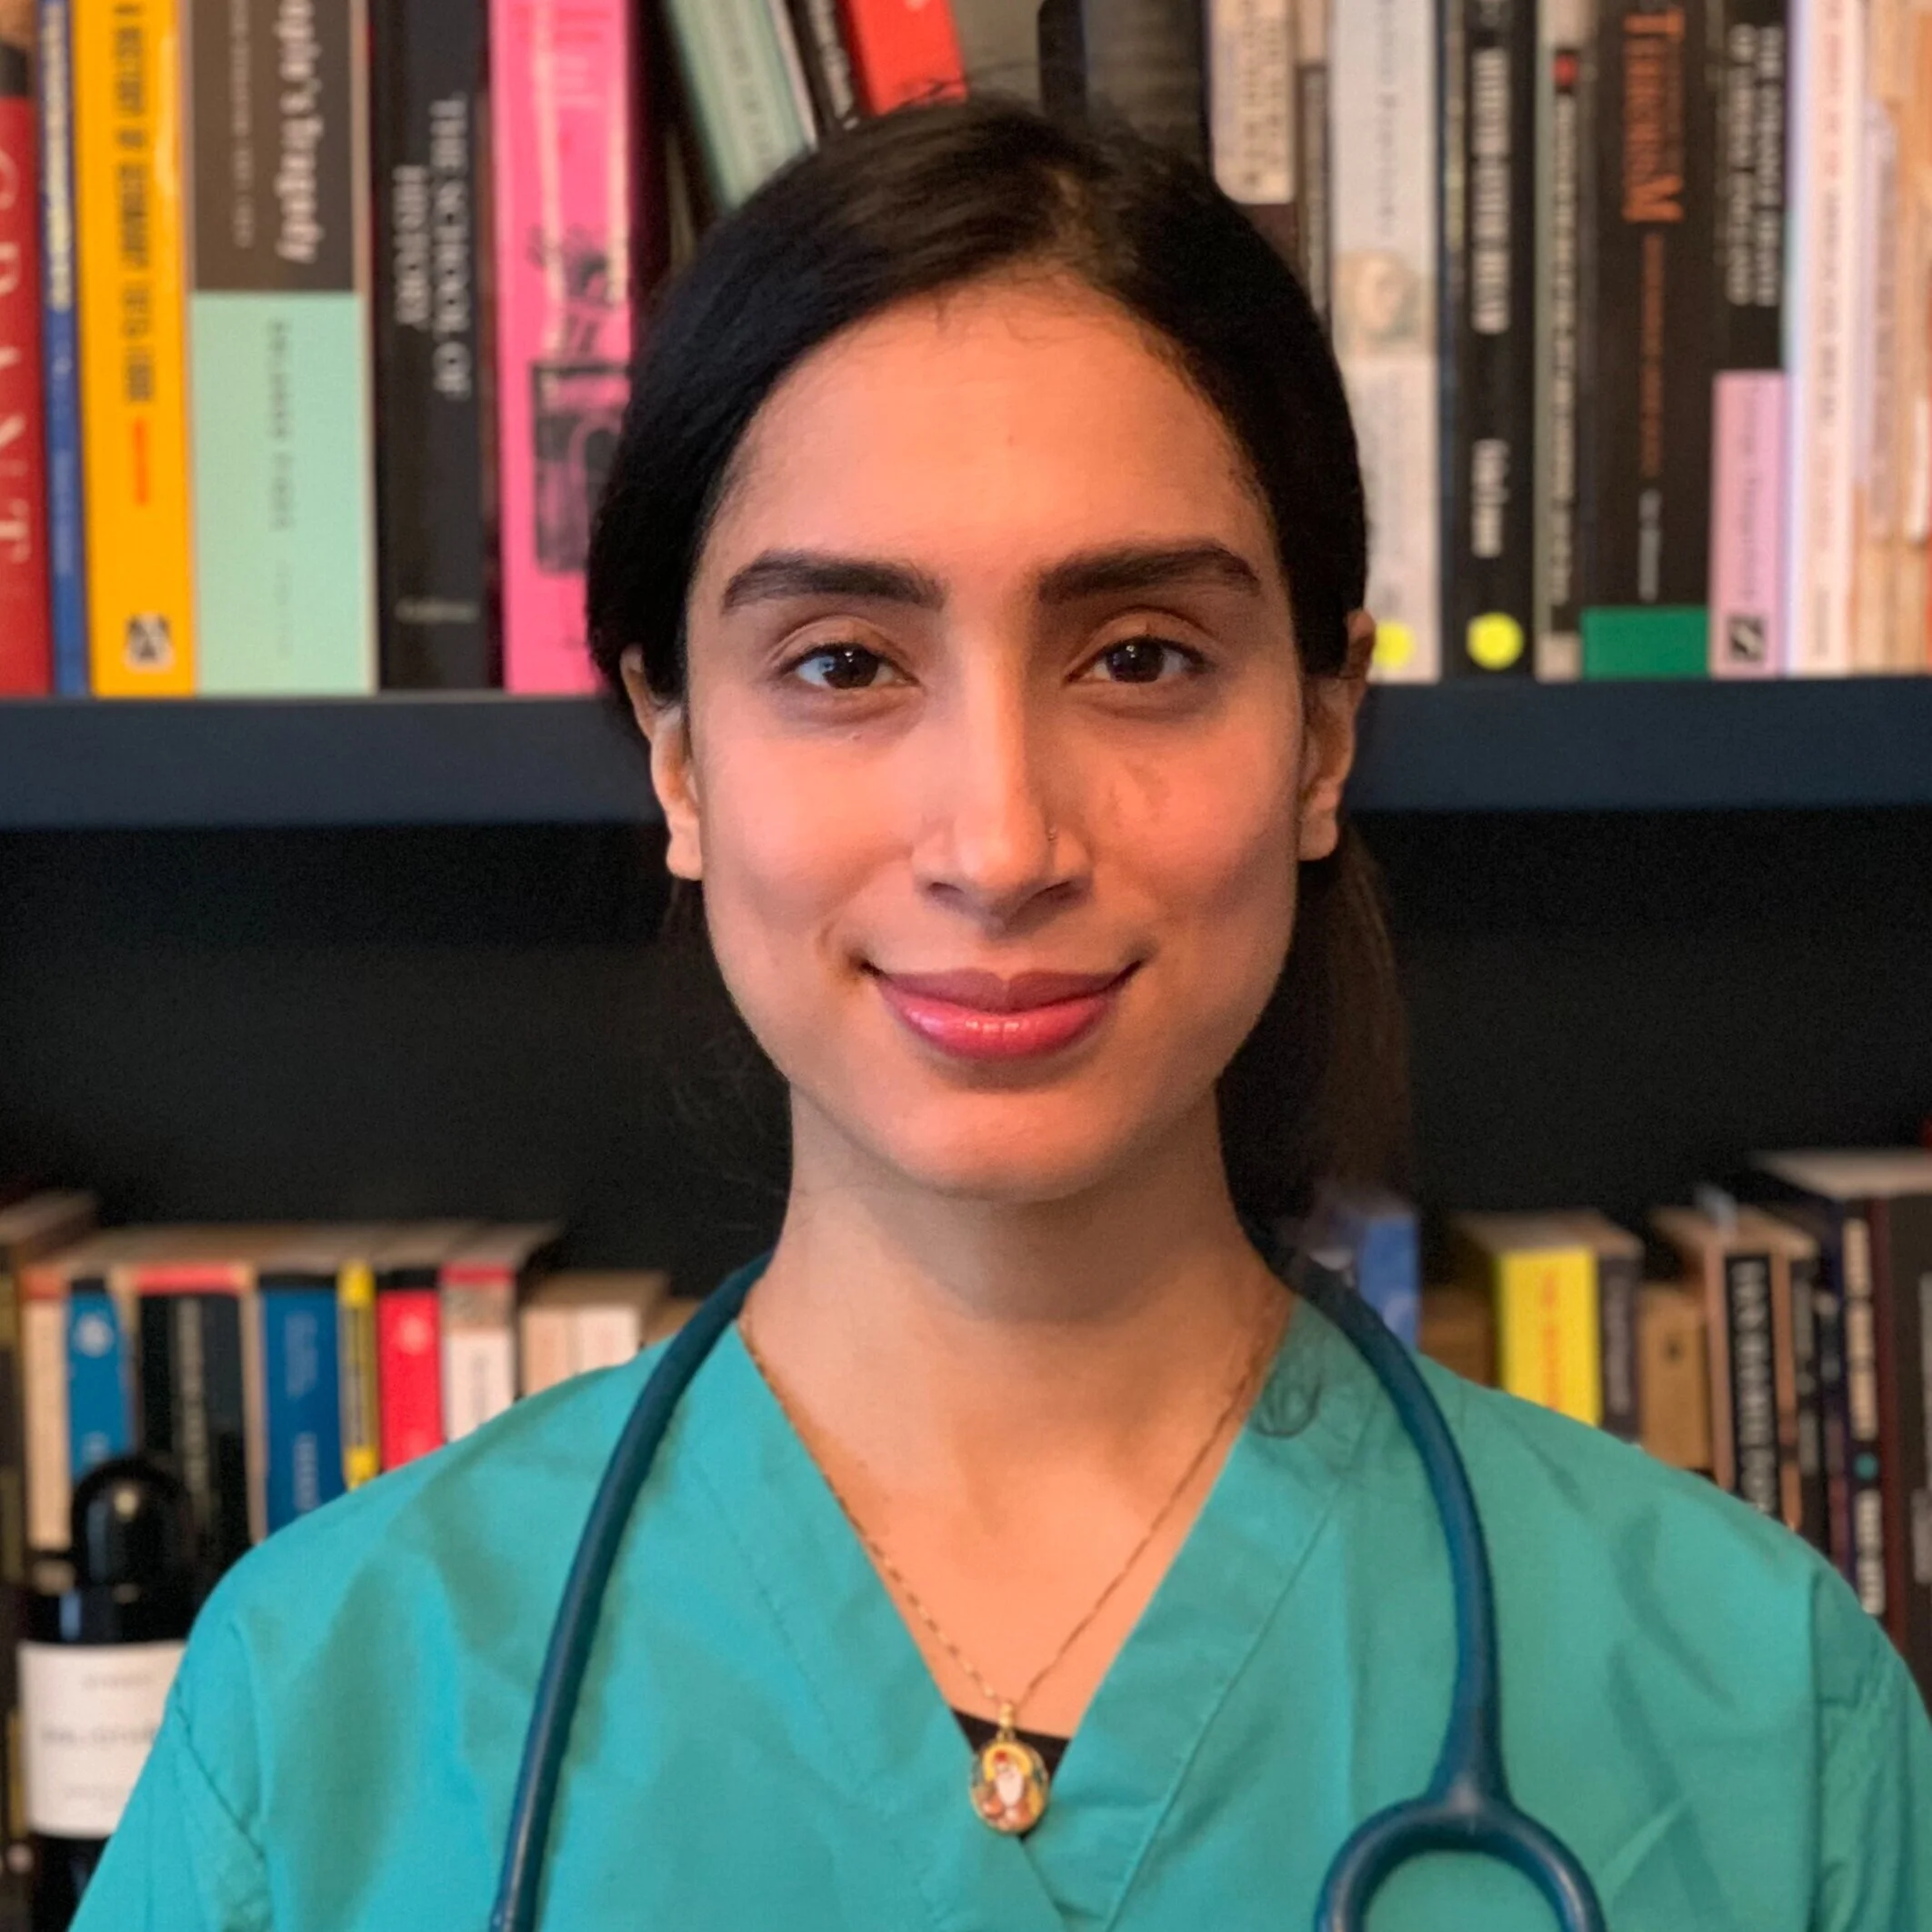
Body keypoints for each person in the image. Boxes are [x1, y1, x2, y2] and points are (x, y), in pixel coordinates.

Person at [77, 99, 1930, 1932]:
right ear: (679, 761)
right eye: (843, 664)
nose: (1000, 843)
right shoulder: (315, 1720)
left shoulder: (1765, 1715)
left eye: (1139, 657)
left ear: (1321, 739)